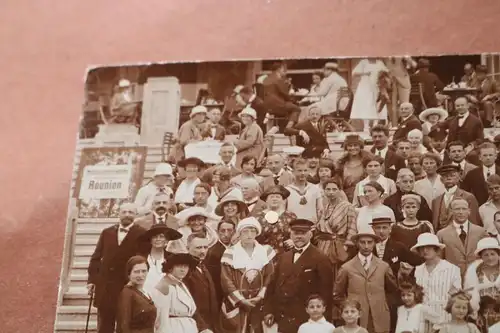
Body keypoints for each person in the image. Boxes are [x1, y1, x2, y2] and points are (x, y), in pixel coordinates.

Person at [263, 219, 333, 333]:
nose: (299, 237)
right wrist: (268, 311)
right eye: (296, 233)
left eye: (303, 233)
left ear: (310, 234)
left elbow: (326, 293)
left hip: (307, 321)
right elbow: (272, 287)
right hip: (282, 318)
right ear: (290, 234)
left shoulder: (321, 258)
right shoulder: (283, 257)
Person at [87, 203, 147, 333]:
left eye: (130, 212)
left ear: (135, 215)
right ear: (119, 214)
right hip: (106, 288)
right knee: (104, 327)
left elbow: (142, 259)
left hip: (127, 287)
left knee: (125, 326)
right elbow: (96, 258)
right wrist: (92, 280)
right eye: (124, 212)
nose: (127, 215)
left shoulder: (142, 233)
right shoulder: (107, 232)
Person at [333, 226, 398, 333]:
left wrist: (382, 304)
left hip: (379, 316)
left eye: (369, 242)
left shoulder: (383, 266)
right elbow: (337, 295)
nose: (366, 246)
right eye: (362, 242)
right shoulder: (347, 268)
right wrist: (349, 309)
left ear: (374, 243)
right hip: (356, 319)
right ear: (357, 244)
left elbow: (393, 291)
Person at [220, 217, 276, 333]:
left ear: (257, 233)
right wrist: (240, 300)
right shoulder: (230, 252)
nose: (249, 235)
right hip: (237, 304)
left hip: (259, 302)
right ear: (239, 233)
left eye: (252, 231)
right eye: (245, 231)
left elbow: (269, 276)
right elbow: (226, 280)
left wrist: (260, 296)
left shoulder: (265, 251)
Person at [412, 233, 462, 332]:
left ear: (437, 249)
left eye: (429, 247)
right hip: (423, 321)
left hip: (445, 318)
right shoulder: (417, 270)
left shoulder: (452, 269)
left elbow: (457, 298)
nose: (425, 250)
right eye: (422, 248)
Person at [150, 253, 208, 333]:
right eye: (179, 266)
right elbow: (160, 318)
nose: (183, 270)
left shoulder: (181, 284)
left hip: (188, 327)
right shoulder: (164, 285)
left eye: (186, 266)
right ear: (170, 268)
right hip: (174, 327)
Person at [315, 178, 358, 277]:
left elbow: (352, 228)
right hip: (323, 245)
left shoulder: (347, 207)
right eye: (328, 189)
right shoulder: (325, 208)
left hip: (339, 246)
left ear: (340, 191)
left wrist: (346, 246)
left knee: (337, 273)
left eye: (334, 189)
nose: (331, 192)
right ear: (324, 191)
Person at [436, 198, 488, 277]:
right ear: (451, 212)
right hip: (451, 278)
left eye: (464, 209)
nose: (461, 212)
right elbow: (439, 260)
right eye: (457, 209)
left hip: (477, 277)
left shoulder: (481, 232)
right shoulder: (442, 234)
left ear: (469, 211)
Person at [184, 234, 220, 333]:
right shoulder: (185, 270)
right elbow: (188, 302)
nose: (203, 251)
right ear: (188, 248)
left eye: (205, 247)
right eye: (198, 248)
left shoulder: (204, 266)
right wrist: (202, 327)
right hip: (196, 326)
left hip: (211, 324)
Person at [463, 237, 500, 329]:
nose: (490, 258)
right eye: (486, 255)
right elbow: (469, 294)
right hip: (482, 315)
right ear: (481, 256)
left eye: (492, 254)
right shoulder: (474, 271)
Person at [432, 164, 480, 231]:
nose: (449, 178)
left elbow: (474, 223)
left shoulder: (468, 197)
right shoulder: (436, 201)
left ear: (458, 178)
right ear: (441, 180)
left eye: (452, 175)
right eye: (445, 176)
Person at [138, 224, 182, 295]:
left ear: (167, 240)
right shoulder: (141, 257)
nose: (158, 239)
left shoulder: (172, 258)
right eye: (155, 237)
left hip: (166, 296)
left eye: (161, 236)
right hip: (144, 296)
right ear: (150, 240)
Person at [116, 256, 157, 333]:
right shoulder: (127, 293)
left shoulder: (144, 292)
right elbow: (123, 325)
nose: (140, 275)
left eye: (144, 271)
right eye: (136, 272)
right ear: (129, 273)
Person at [350, 58, 390, 132]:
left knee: (377, 104)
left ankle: (375, 124)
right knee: (366, 105)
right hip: (366, 85)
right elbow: (354, 73)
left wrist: (382, 77)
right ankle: (366, 126)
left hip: (377, 85)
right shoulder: (363, 62)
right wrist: (365, 73)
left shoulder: (380, 62)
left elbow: (386, 72)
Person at [255, 185, 297, 255]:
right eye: (271, 197)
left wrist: (294, 241)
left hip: (286, 255)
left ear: (283, 200)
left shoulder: (291, 216)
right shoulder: (258, 217)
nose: (274, 199)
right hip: (264, 256)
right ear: (266, 200)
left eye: (278, 197)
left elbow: (298, 234)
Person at [204, 220, 236, 306]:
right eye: (223, 231)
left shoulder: (237, 248)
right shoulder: (213, 252)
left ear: (234, 232)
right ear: (217, 232)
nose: (226, 234)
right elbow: (214, 280)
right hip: (221, 295)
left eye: (229, 230)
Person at [262, 62, 301, 131]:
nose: (285, 71)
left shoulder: (266, 79)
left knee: (290, 107)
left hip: (267, 106)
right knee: (297, 109)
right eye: (283, 69)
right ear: (279, 69)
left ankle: (282, 127)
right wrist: (293, 99)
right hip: (278, 105)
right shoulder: (278, 79)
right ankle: (288, 128)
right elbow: (286, 94)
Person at [286, 158, 323, 223]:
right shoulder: (287, 190)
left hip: (311, 226)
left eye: (305, 170)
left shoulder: (315, 189)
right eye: (299, 170)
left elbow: (320, 209)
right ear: (293, 172)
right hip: (293, 226)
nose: (303, 173)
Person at [337, 134, 372, 202]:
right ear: (346, 147)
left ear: (360, 146)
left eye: (355, 145)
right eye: (350, 146)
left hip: (363, 197)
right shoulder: (341, 163)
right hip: (345, 198)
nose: (353, 148)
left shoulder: (367, 161)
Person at [462, 142, 500, 206]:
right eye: (485, 155)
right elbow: (465, 193)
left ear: (495, 156)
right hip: (478, 210)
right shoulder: (472, 174)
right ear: (479, 157)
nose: (488, 158)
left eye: (490, 155)